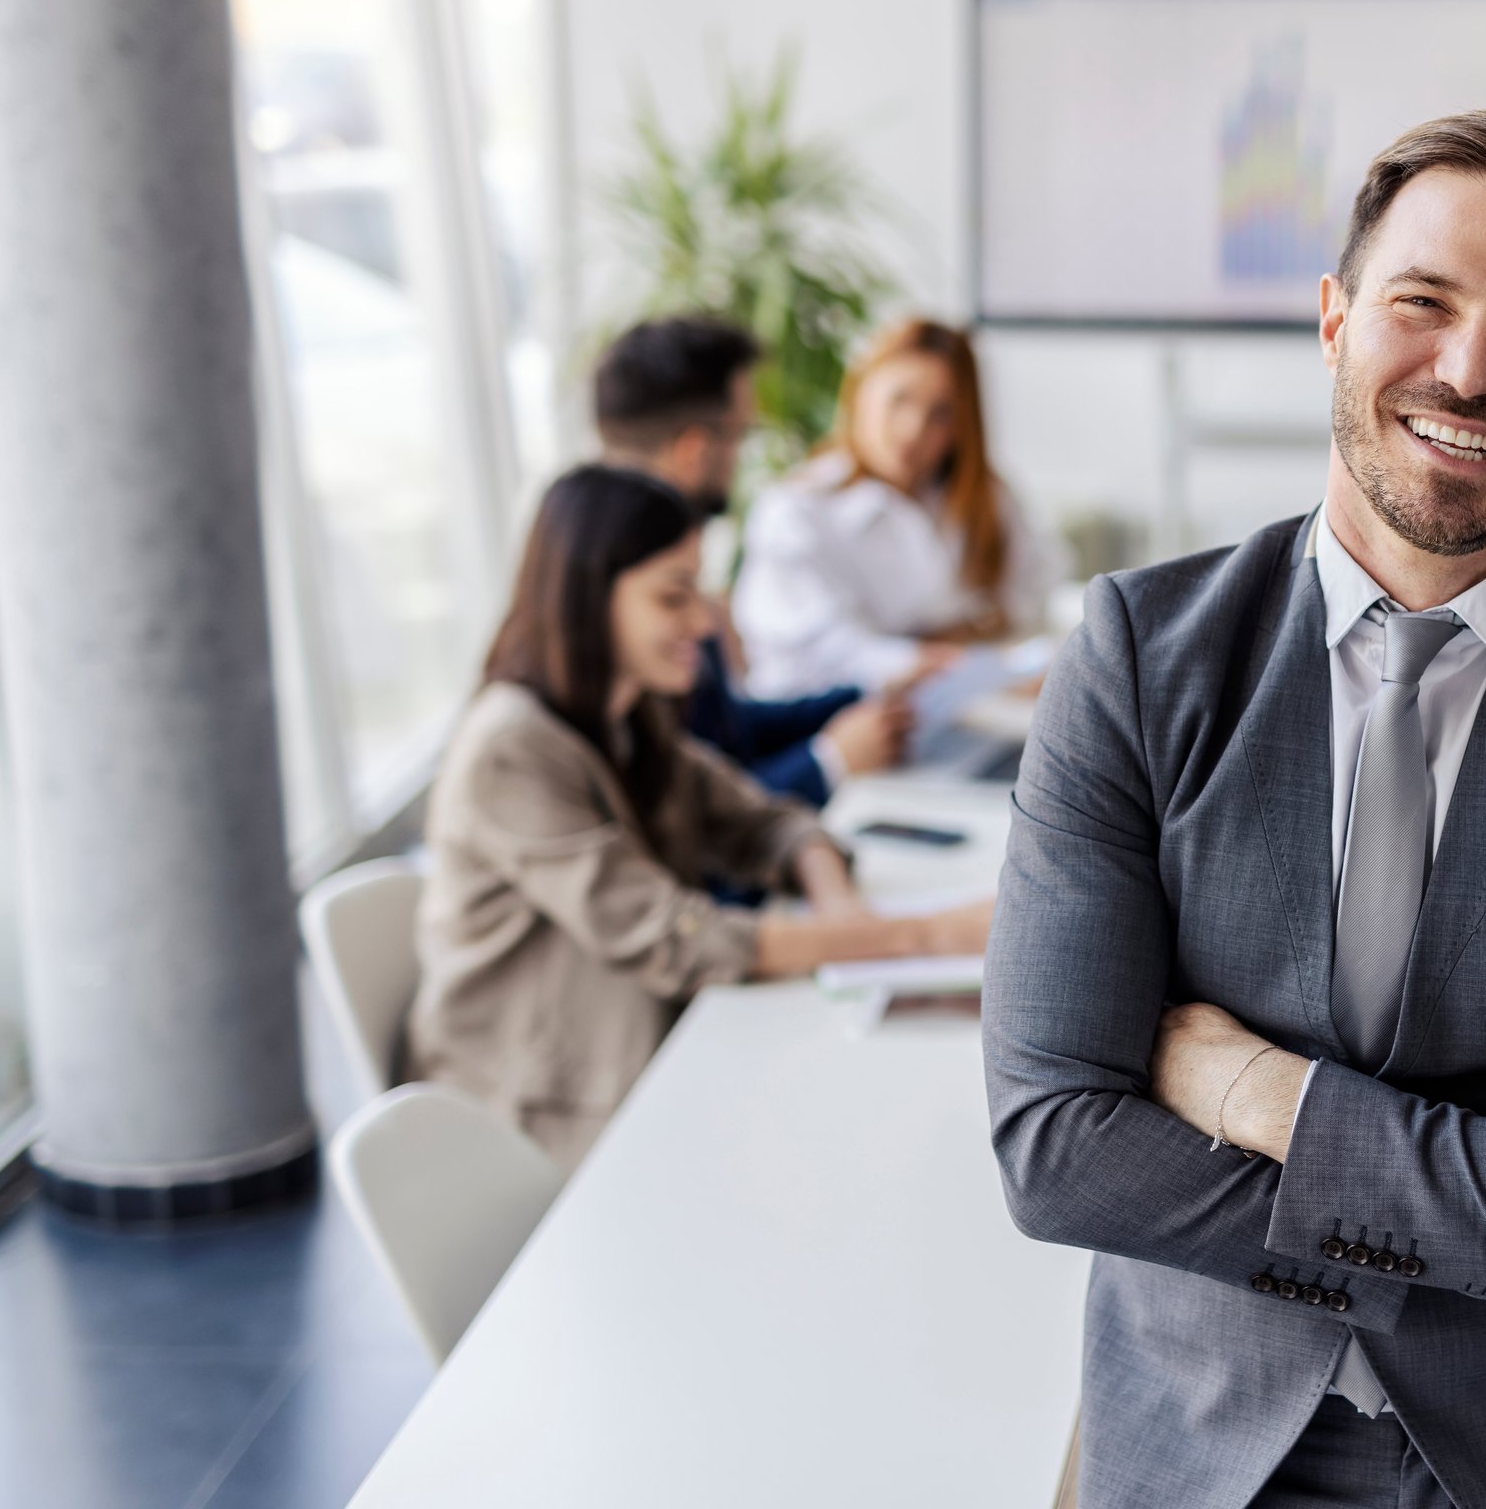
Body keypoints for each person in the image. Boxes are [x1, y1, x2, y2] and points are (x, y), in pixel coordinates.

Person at [982, 112, 1486, 1509]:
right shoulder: (1136, 656)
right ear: (1338, 319)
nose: (1471, 371)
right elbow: (1058, 1152)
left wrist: (1261, 1096)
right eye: (1424, 305)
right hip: (1198, 1441)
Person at [408, 467, 990, 1169]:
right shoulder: (511, 750)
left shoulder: (628, 712)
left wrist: (840, 908)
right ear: (590, 600)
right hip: (543, 1119)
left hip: (644, 1059)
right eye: (672, 595)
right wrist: (920, 936)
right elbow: (676, 936)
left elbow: (762, 818)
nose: (703, 621)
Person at [591, 315, 907, 808]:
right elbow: (690, 822)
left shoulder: (652, 565)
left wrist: (862, 696)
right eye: (740, 436)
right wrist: (830, 762)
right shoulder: (627, 605)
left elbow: (724, 734)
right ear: (695, 450)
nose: (699, 619)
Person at [732, 317, 1058, 699]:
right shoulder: (796, 510)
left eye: (941, 413)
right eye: (899, 400)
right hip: (828, 725)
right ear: (860, 394)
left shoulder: (984, 497)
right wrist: (939, 651)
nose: (913, 429)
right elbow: (823, 653)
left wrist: (963, 635)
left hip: (950, 714)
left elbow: (1034, 588)